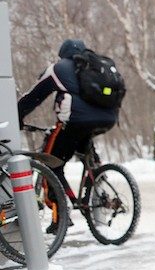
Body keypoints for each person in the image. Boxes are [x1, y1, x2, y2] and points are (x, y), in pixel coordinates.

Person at [17, 39, 119, 201]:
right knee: (84, 147)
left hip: (74, 121)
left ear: (62, 54)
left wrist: (17, 116)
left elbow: (34, 97)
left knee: (50, 163)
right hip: (108, 118)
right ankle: (95, 186)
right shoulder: (94, 67)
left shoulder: (58, 68)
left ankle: (65, 206)